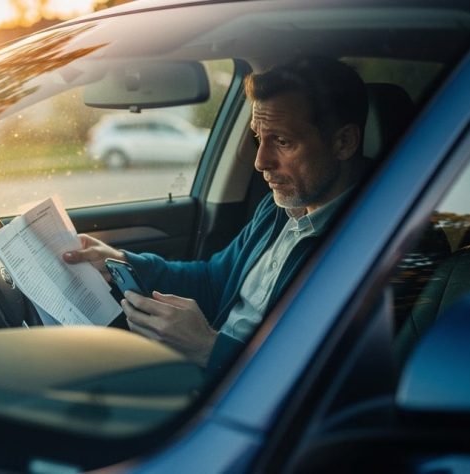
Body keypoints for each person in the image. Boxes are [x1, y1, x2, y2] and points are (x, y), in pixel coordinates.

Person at [63, 57, 369, 372]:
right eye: (257, 139)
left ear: (343, 142)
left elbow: (328, 378)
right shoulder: (279, 210)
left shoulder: (375, 242)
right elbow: (214, 280)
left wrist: (209, 348)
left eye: (282, 141)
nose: (260, 162)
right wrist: (123, 263)